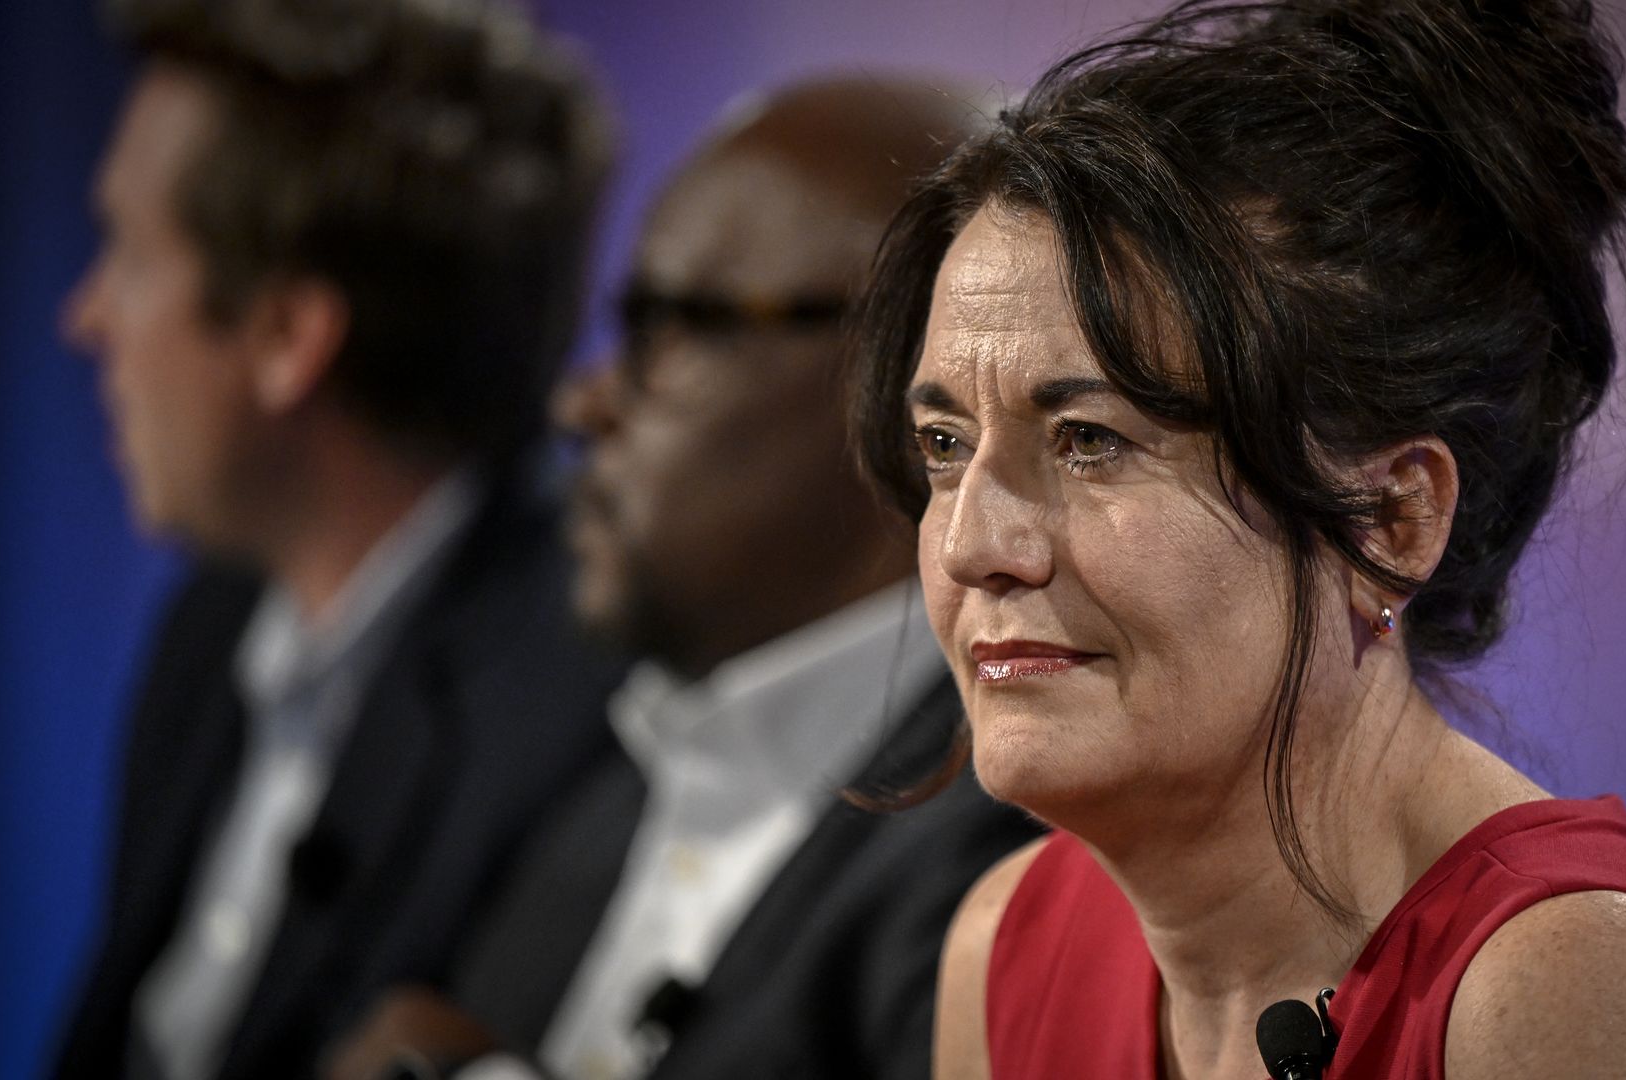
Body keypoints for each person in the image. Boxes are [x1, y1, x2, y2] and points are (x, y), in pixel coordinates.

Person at [850, 1, 1626, 1077]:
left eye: (1091, 440)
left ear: (1390, 521)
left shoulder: (1574, 992)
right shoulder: (1004, 951)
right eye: (945, 443)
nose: (970, 546)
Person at [322, 78, 1040, 1080]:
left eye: (669, 326)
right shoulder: (595, 780)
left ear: (907, 377)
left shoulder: (1016, 844)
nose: (586, 404)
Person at [52, 1, 626, 1077]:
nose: (85, 318)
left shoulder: (579, 720)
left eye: (129, 256)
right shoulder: (210, 624)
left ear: (286, 337)